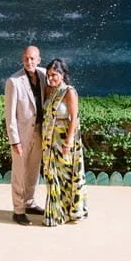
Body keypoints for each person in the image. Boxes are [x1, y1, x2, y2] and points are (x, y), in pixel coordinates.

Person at [4, 41, 47, 223]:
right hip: (21, 135)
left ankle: (29, 202)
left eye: (32, 59)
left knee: (34, 170)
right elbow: (10, 115)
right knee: (19, 173)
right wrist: (14, 140)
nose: (29, 62)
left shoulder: (45, 74)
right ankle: (18, 210)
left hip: (40, 132)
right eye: (26, 58)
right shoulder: (13, 81)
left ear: (38, 59)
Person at [41, 59, 87, 226]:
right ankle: (56, 213)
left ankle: (68, 212)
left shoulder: (69, 92)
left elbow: (74, 118)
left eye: (54, 75)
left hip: (64, 140)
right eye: (48, 75)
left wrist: (68, 143)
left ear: (63, 74)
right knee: (52, 176)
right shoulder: (50, 90)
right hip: (49, 141)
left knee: (66, 176)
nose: (50, 78)